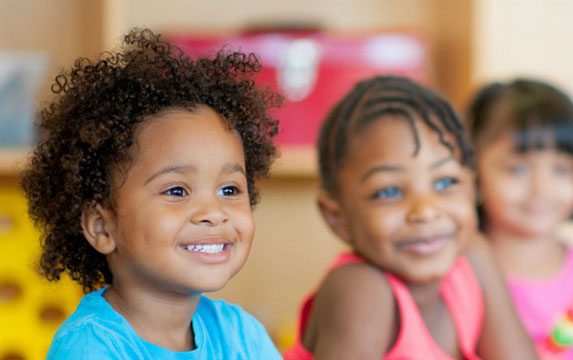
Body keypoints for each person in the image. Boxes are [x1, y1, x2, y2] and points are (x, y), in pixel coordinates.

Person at [21, 28, 283, 359]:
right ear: (102, 227)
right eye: (177, 190)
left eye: (229, 189)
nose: (214, 212)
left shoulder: (241, 333)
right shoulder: (91, 347)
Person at [284, 76, 539, 359]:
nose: (426, 210)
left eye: (445, 183)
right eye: (388, 191)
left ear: (474, 187)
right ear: (337, 218)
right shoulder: (359, 288)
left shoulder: (475, 258)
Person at [468, 78, 573, 359]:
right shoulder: (458, 275)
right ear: (473, 174)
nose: (542, 188)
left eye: (561, 169)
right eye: (518, 169)